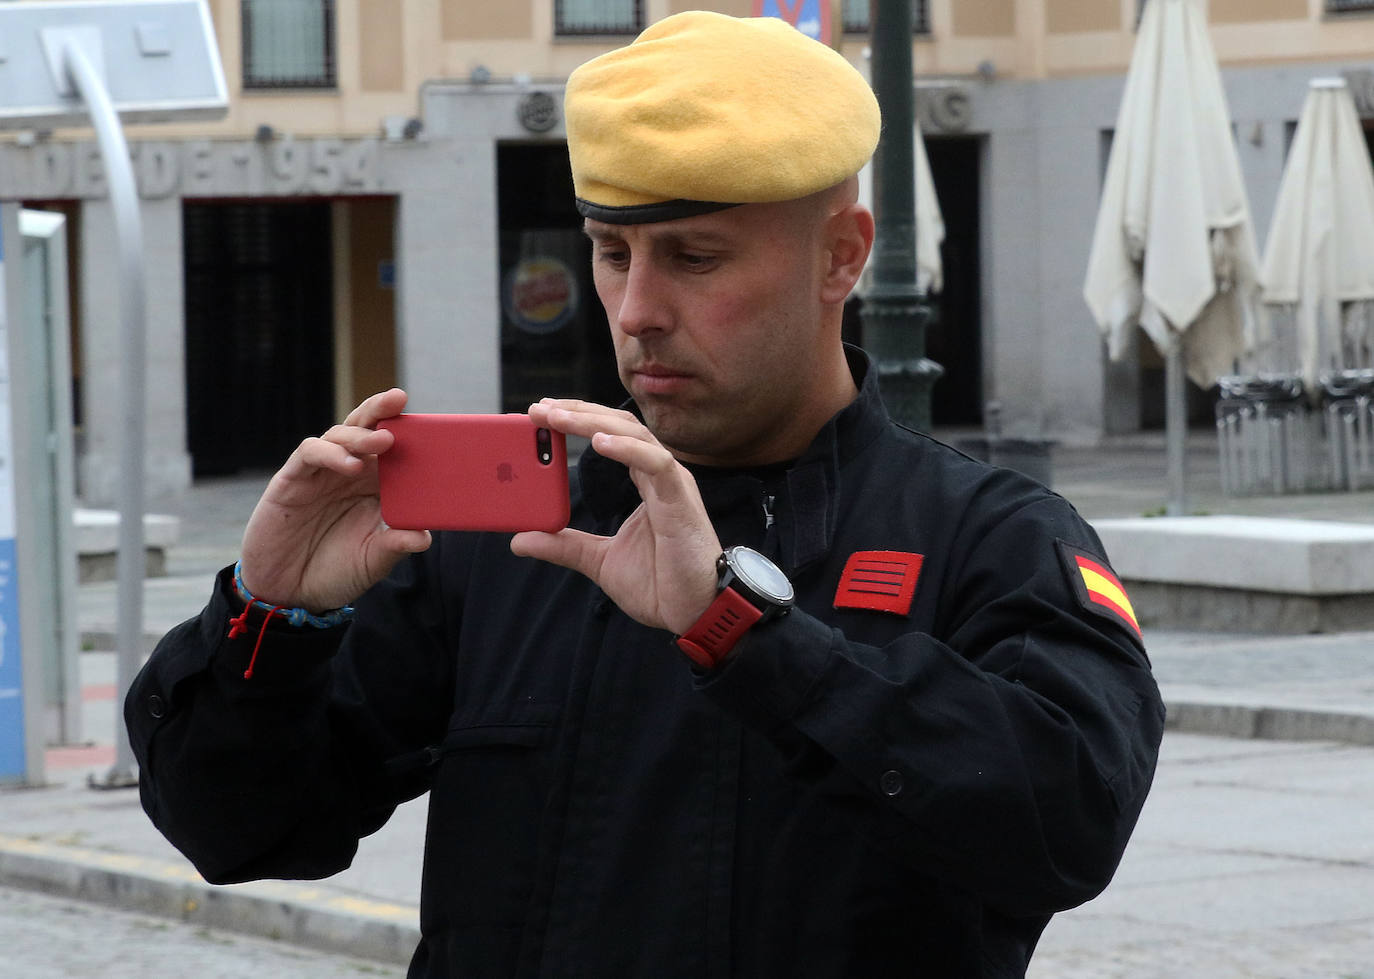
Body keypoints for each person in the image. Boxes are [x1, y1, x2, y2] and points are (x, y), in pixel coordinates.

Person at [127, 11, 1164, 977]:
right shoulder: (511, 535)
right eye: (612, 252)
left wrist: (753, 639)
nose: (637, 309)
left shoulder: (988, 536)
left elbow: (1068, 824)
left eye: (695, 258)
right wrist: (268, 624)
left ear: (842, 255)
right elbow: (237, 829)